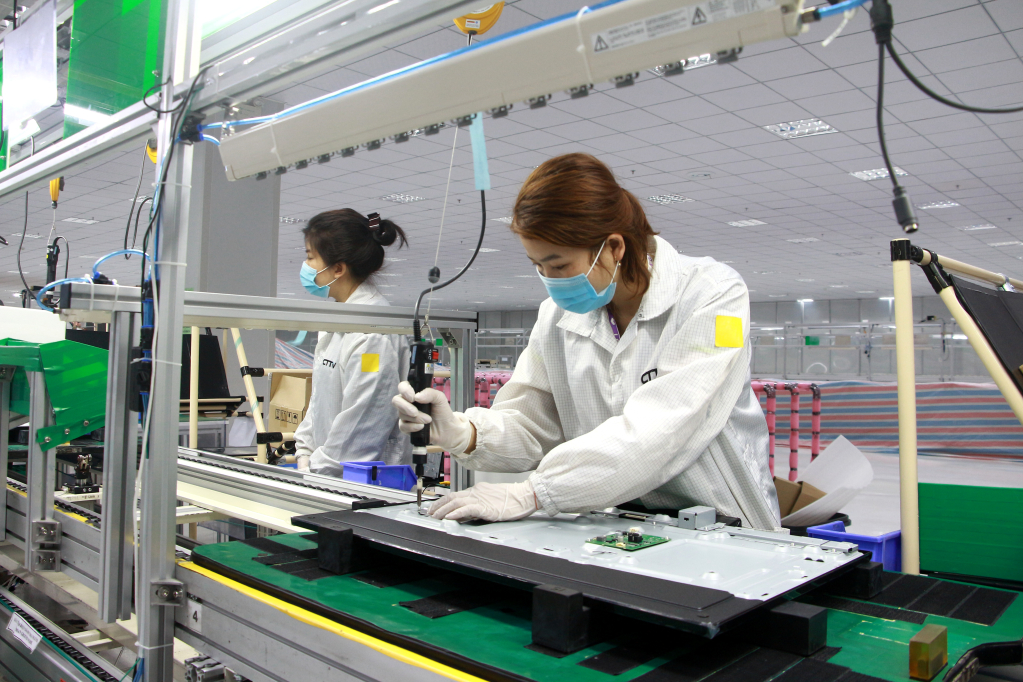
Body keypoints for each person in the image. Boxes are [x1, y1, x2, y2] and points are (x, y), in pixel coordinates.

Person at [393, 153, 780, 529]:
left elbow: (663, 429)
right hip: (621, 525)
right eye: (539, 266)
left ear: (614, 247)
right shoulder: (555, 316)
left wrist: (534, 492)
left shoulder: (712, 294)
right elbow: (532, 424)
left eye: (560, 265)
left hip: (724, 524)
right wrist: (464, 433)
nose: (550, 280)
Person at [294, 209, 412, 475]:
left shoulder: (372, 337)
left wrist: (314, 470)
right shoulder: (339, 323)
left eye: (310, 257)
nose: (306, 265)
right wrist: (304, 451)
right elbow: (320, 402)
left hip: (361, 481)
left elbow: (362, 427)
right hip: (326, 474)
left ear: (338, 268)